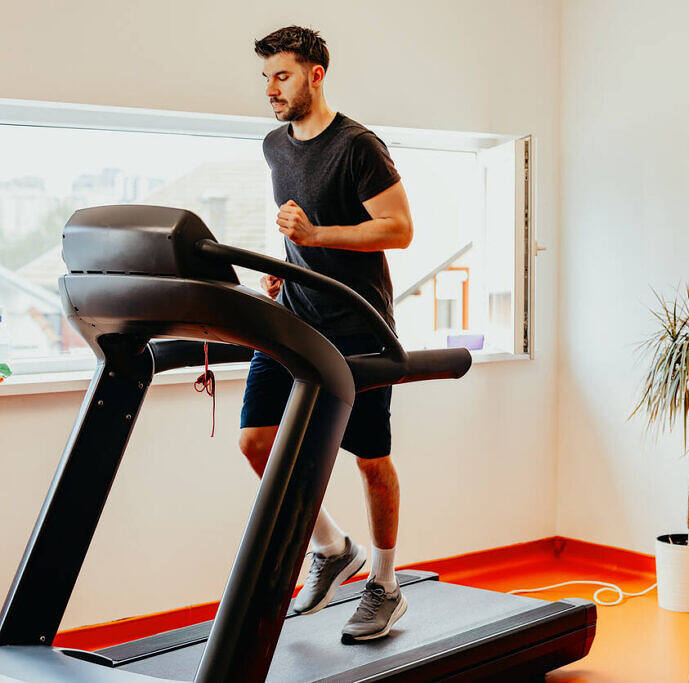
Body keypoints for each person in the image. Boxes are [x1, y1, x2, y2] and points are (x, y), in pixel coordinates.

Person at [239, 25, 413, 644]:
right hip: (297, 314)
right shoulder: (273, 146)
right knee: (256, 440)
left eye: (281, 75)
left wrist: (317, 238)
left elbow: (397, 229)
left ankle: (386, 584)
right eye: (265, 77)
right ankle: (333, 547)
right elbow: (295, 226)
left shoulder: (358, 146)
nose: (270, 89)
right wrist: (287, 269)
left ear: (315, 74)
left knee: (370, 460)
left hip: (356, 324)